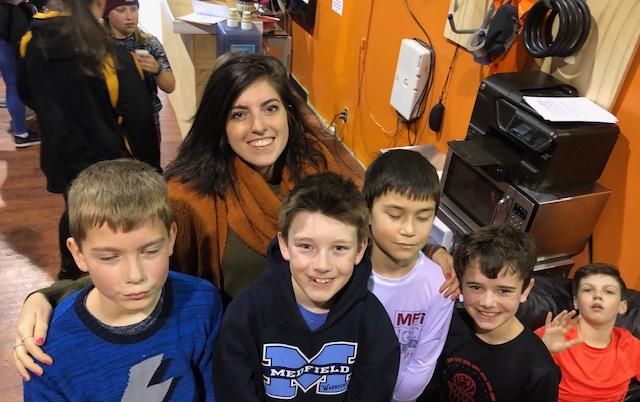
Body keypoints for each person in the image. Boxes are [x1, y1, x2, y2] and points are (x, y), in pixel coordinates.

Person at [12, 54, 456, 378]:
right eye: (239, 114)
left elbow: (371, 225)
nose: (259, 126)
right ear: (219, 123)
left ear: (288, 112)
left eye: (270, 108)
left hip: (319, 358)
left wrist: (432, 250)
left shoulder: (316, 171)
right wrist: (49, 297)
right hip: (238, 364)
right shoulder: (188, 197)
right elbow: (136, 262)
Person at [20, 159, 227, 402]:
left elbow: (217, 394)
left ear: (171, 237)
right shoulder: (49, 350)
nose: (135, 275)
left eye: (150, 251)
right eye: (110, 257)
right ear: (78, 253)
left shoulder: (201, 303)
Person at [213, 172, 400, 402]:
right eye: (306, 246)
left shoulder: (372, 323)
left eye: (339, 248)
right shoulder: (246, 315)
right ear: (284, 244)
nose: (322, 265)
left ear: (360, 250)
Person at [398, 224, 561, 402]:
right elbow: (431, 383)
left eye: (503, 290)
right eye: (475, 287)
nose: (487, 302)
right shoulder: (450, 324)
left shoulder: (539, 370)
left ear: (526, 290)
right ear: (460, 283)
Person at [17, 0, 159, 280]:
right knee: (114, 219)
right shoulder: (110, 55)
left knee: (75, 209)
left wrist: (56, 117)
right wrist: (151, 169)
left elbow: (25, 91)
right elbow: (140, 117)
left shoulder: (31, 39)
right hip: (107, 160)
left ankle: (70, 271)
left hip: (60, 152)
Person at [351, 149, 455, 402]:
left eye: (423, 217)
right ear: (367, 211)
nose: (409, 229)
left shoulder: (439, 285)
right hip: (332, 395)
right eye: (395, 215)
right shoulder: (344, 267)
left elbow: (423, 362)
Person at [537, 263, 640, 402]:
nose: (598, 296)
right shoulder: (553, 335)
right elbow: (513, 383)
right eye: (588, 290)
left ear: (622, 306)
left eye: (608, 291)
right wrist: (543, 351)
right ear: (576, 302)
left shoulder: (630, 346)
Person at [102, 0, 175, 134]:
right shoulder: (97, 46)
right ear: (107, 14)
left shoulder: (148, 43)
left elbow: (170, 86)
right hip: (108, 122)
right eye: (121, 10)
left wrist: (157, 70)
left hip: (146, 122)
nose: (129, 17)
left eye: (134, 9)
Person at [0, 0, 40, 147]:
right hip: (7, 34)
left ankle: (21, 131)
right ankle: (21, 134)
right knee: (14, 85)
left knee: (13, 84)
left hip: (7, 32)